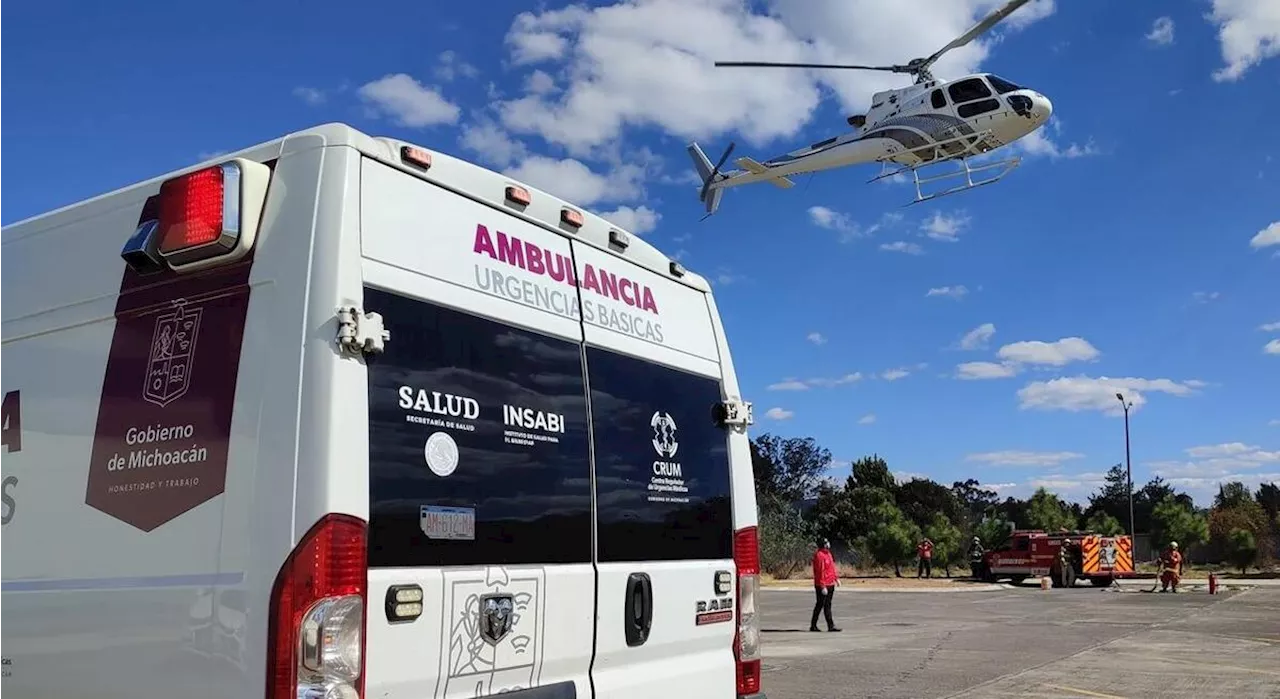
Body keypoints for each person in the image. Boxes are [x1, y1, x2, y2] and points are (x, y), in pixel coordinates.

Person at [810, 538, 842, 632]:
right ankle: (814, 625)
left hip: (830, 583)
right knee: (820, 605)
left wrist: (836, 578)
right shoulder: (819, 555)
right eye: (826, 543)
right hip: (822, 584)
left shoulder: (828, 554)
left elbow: (832, 568)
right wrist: (822, 586)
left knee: (827, 605)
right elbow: (820, 571)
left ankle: (830, 626)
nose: (828, 544)